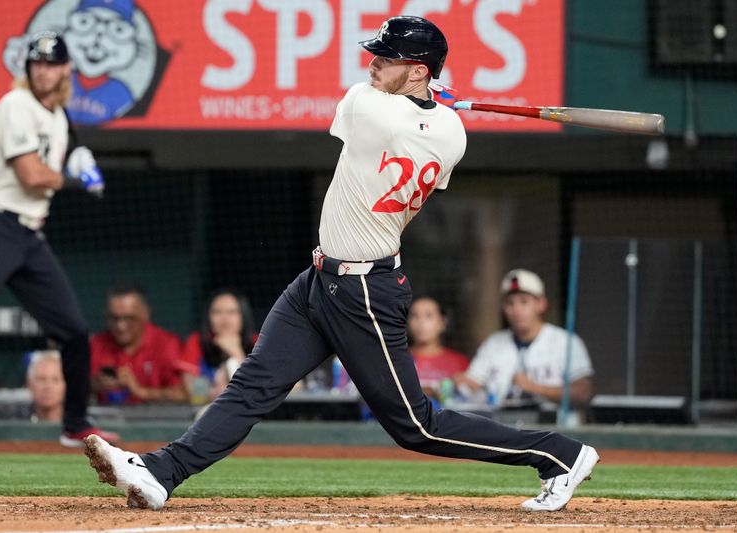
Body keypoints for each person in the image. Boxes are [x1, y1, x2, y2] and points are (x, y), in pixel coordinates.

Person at [83, 16, 599, 513]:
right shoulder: (451, 133)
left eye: (387, 57)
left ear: (420, 70)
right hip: (319, 280)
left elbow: (378, 106)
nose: (373, 63)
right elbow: (424, 122)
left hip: (366, 292)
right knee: (253, 385)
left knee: (415, 425)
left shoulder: (368, 108)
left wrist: (418, 102)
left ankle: (561, 454)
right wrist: (428, 103)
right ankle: (160, 473)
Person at [0, 31, 117, 447]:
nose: (43, 71)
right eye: (36, 63)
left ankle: (75, 424)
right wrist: (76, 179)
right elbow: (31, 176)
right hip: (1, 223)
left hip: (30, 234)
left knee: (73, 330)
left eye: (51, 64)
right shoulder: (15, 105)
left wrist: (80, 166)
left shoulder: (60, 116)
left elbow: (61, 159)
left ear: (65, 69)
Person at [455, 269, 595, 411]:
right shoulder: (493, 344)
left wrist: (535, 388)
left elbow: (583, 393)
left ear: (541, 304)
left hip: (553, 428)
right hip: (504, 426)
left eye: (524, 302)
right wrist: (463, 383)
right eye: (510, 303)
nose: (517, 310)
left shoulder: (566, 342)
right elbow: (473, 381)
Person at [90, 282, 187, 405]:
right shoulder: (97, 344)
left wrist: (141, 391)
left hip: (156, 420)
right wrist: (92, 386)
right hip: (106, 421)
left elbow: (185, 394)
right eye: (114, 318)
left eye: (129, 318)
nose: (121, 326)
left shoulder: (167, 344)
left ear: (145, 314)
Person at [180, 289, 257, 403]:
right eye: (217, 312)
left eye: (232, 312)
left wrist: (235, 351)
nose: (224, 319)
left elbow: (260, 385)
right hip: (208, 410)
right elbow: (192, 390)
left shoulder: (258, 342)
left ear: (243, 316)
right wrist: (214, 393)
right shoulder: (197, 341)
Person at [408, 296, 469, 402]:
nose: (420, 322)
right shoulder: (397, 358)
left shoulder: (459, 362)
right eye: (415, 316)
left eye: (428, 316)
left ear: (442, 323)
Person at [26, 350, 66, 423]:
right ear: (30, 384)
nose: (48, 387)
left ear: (65, 385)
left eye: (55, 380)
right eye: (41, 379)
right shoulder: (14, 423)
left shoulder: (82, 425)